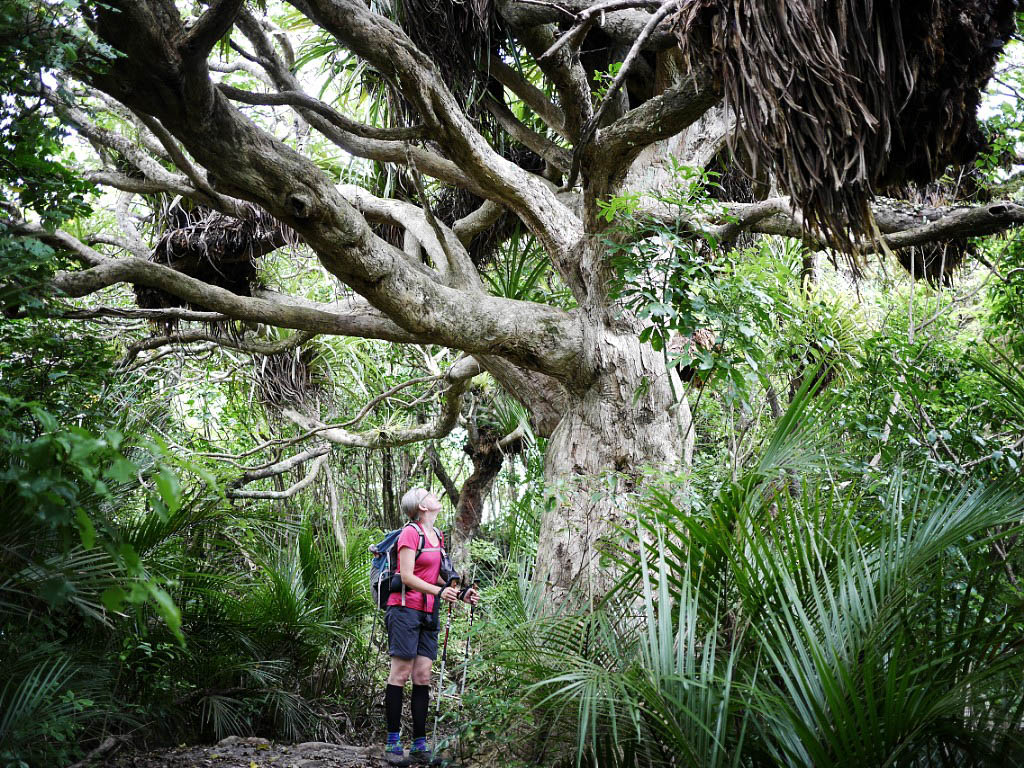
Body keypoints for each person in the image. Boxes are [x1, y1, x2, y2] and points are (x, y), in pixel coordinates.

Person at [384, 487, 479, 766]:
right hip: (404, 609)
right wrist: (438, 593)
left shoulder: (437, 536)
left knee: (423, 676)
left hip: (428, 612)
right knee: (400, 674)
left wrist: (459, 595)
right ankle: (392, 744)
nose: (433, 496)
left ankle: (419, 745)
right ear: (422, 507)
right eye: (428, 494)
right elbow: (407, 575)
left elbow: (435, 577)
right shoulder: (410, 533)